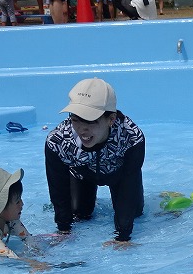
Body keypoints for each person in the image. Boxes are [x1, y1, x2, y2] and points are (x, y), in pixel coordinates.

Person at [45, 78, 146, 246]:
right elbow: (58, 188)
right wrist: (63, 229)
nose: (82, 129)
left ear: (111, 119)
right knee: (80, 214)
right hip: (82, 173)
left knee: (135, 214)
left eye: (90, 121)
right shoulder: (58, 141)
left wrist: (123, 237)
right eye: (75, 119)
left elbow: (129, 182)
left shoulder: (131, 138)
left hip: (120, 175)